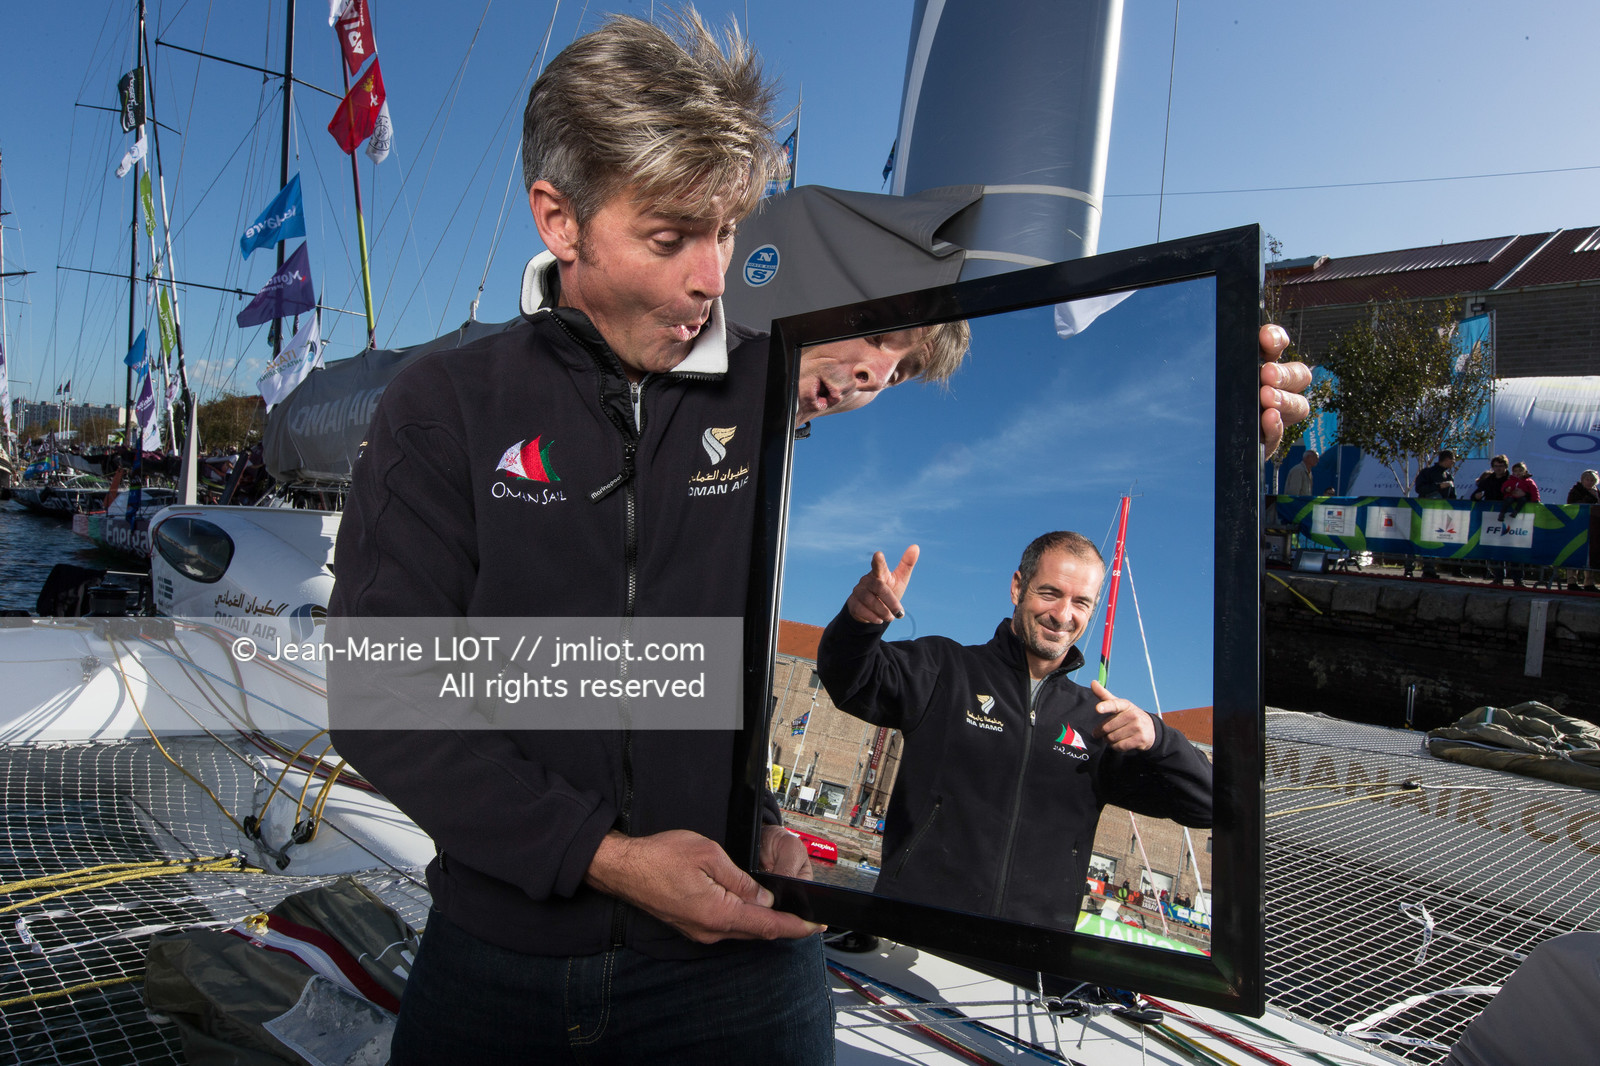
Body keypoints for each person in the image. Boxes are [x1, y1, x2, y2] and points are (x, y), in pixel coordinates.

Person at [327, 14, 832, 1063]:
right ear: (559, 220)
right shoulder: (444, 405)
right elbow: (382, 697)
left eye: (727, 230)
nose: (713, 276)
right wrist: (609, 858)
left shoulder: (773, 389)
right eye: (671, 238)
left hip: (742, 968)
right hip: (498, 964)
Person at [814, 532, 1212, 929]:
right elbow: (849, 680)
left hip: (1032, 957)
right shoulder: (944, 670)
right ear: (1017, 587)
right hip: (913, 937)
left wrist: (1160, 740)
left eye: (1081, 602)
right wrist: (859, 623)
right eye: (1050, 593)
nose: (1063, 614)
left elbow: (1208, 805)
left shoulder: (1099, 724)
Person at [1472, 456, 1511, 584]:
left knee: (1512, 548)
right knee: (1493, 547)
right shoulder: (1488, 480)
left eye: (1501, 466)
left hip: (1509, 517)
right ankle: (1498, 576)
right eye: (1495, 466)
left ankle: (1517, 579)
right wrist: (1477, 496)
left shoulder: (1512, 480)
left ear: (1506, 467)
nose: (1498, 469)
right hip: (1491, 518)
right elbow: (1474, 495)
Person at [1567, 470, 1600, 591]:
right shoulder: (1576, 490)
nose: (1590, 482)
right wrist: (1589, 498)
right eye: (1587, 480)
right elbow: (1572, 506)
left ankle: (1589, 582)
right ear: (1582, 480)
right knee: (1575, 551)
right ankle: (1571, 581)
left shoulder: (1597, 492)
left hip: (1593, 526)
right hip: (1578, 526)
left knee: (1591, 553)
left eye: (1592, 480)